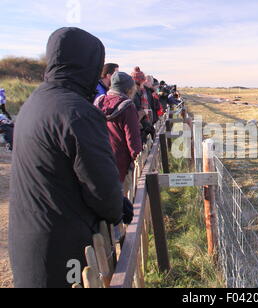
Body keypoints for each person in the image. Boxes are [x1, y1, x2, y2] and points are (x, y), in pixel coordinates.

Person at [9, 27, 127, 288]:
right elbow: (102, 190)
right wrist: (118, 207)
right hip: (64, 246)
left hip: (30, 237)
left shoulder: (36, 102)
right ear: (88, 64)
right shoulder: (77, 113)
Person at [94, 72, 142, 183]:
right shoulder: (128, 107)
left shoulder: (98, 102)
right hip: (120, 164)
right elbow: (133, 140)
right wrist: (138, 160)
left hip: (98, 159)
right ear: (128, 89)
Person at [131, 67, 154, 144]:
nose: (143, 84)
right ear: (139, 82)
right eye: (143, 81)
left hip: (142, 127)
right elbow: (136, 114)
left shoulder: (141, 92)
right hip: (136, 129)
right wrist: (144, 112)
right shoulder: (133, 95)